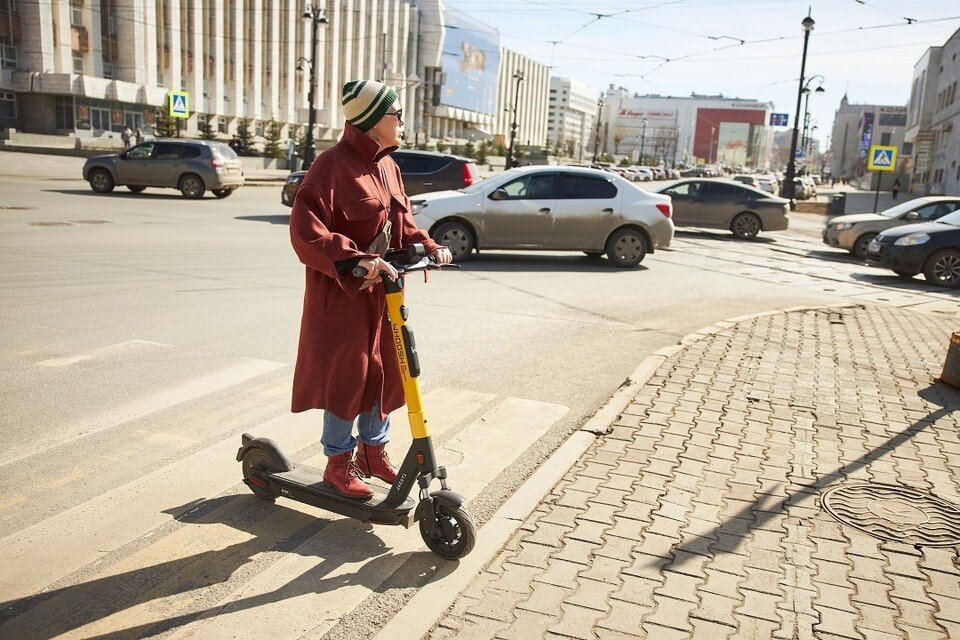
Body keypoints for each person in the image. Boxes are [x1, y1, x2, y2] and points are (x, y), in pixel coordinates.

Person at [289, 79, 452, 499]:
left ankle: (373, 453)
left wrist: (428, 246)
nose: (402, 121)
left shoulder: (389, 166)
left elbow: (402, 225)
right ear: (373, 119)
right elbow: (306, 232)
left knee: (387, 372)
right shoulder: (330, 166)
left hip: (386, 294)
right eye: (395, 114)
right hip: (344, 298)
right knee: (348, 378)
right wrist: (355, 258)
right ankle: (338, 464)